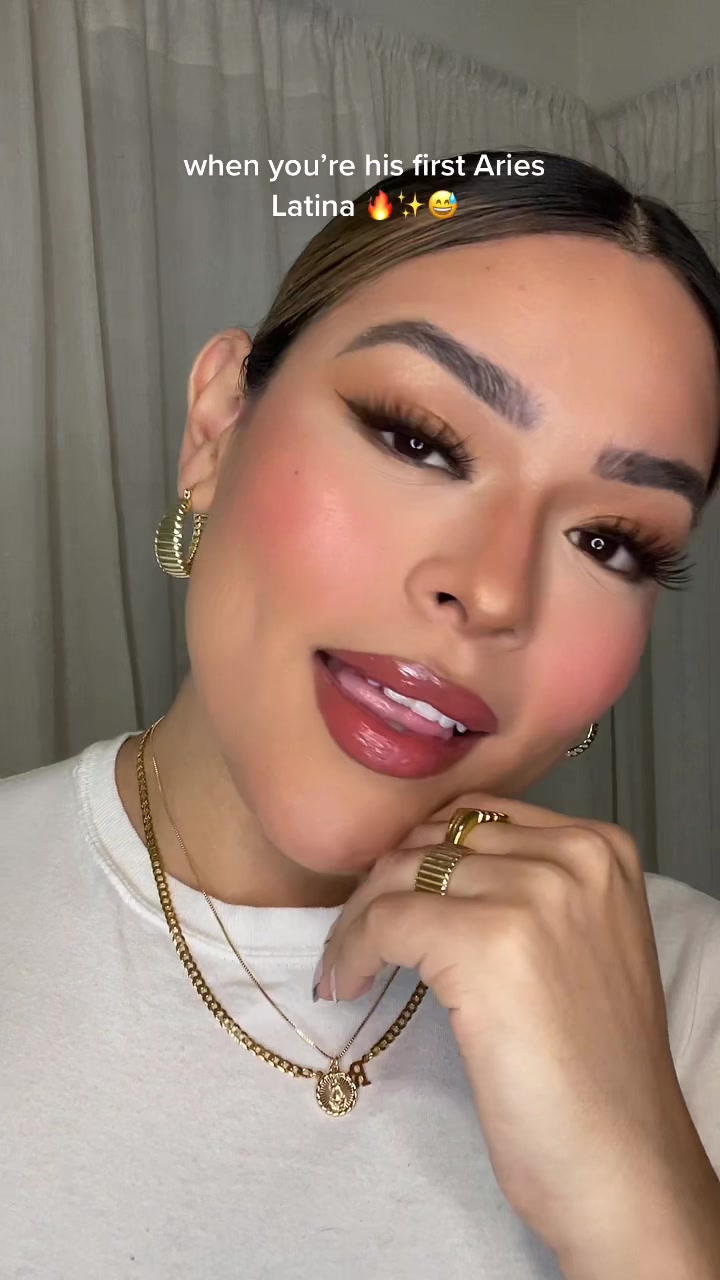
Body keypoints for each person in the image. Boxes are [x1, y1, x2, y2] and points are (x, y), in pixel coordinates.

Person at [2, 148, 720, 1280]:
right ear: (218, 426)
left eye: (609, 541)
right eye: (417, 439)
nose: (493, 591)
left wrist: (651, 1214)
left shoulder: (694, 989)